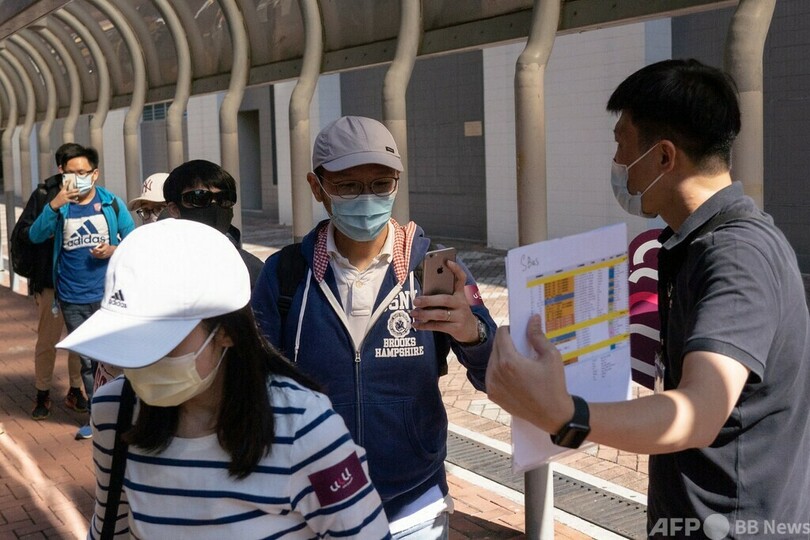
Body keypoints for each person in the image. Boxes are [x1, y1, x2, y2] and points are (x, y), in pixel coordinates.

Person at [486, 59, 810, 537]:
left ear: (663, 157)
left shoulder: (737, 256)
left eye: (622, 144)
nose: (617, 162)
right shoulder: (693, 243)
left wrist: (568, 416)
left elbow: (699, 411)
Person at [57, 219, 390, 539]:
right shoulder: (114, 411)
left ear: (227, 332)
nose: (141, 360)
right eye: (126, 339)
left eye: (160, 341)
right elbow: (111, 524)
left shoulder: (305, 426)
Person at [251, 115, 496, 538]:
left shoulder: (433, 270)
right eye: (348, 186)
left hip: (414, 507)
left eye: (381, 184)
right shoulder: (285, 275)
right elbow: (256, 382)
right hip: (313, 507)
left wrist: (473, 334)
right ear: (317, 187)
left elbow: (495, 375)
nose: (367, 198)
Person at [28, 144, 135, 439]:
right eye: (71, 173)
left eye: (83, 173)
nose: (77, 178)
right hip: (71, 297)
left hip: (108, 296)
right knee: (88, 361)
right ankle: (97, 417)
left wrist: (112, 249)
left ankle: (125, 413)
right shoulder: (60, 207)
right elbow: (35, 235)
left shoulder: (111, 203)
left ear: (95, 174)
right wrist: (54, 205)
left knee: (116, 357)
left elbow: (132, 240)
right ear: (62, 173)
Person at [15, 142, 87, 420]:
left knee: (80, 340)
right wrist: (49, 229)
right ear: (61, 168)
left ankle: (75, 390)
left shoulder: (93, 195)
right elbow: (24, 232)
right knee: (48, 340)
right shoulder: (44, 194)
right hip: (50, 282)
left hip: (81, 283)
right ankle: (42, 393)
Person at [162, 159, 264, 286]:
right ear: (174, 209)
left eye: (224, 198)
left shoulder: (252, 270)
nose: (215, 206)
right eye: (200, 197)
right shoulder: (157, 264)